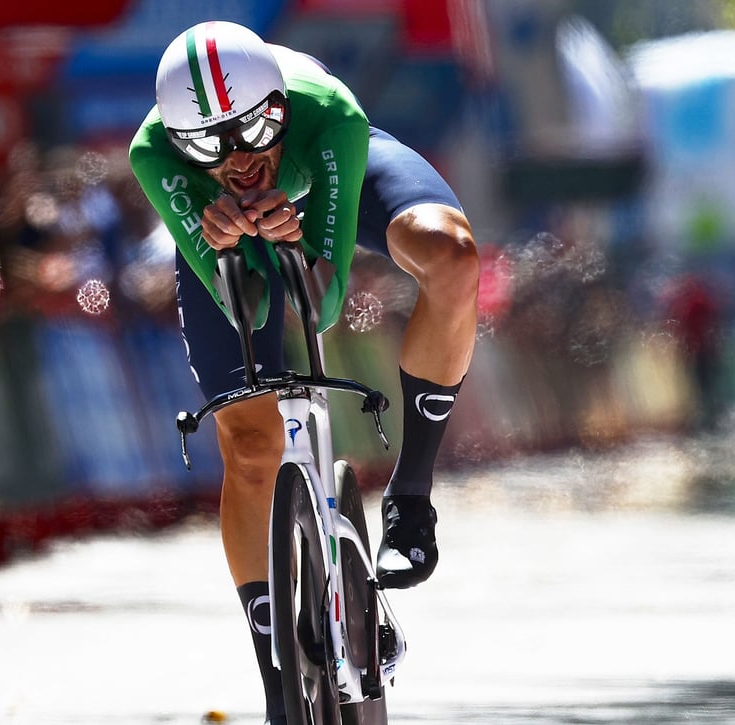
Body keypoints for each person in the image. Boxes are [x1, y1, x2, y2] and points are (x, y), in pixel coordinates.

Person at [129, 21, 479, 723]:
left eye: (255, 131)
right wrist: (230, 238)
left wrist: (294, 233)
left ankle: (410, 497)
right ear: (178, 141)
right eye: (207, 145)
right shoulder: (156, 154)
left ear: (280, 107)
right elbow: (252, 303)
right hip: (227, 232)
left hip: (328, 173)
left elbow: (321, 307)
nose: (236, 159)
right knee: (252, 444)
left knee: (452, 255)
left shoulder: (328, 114)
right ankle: (275, 681)